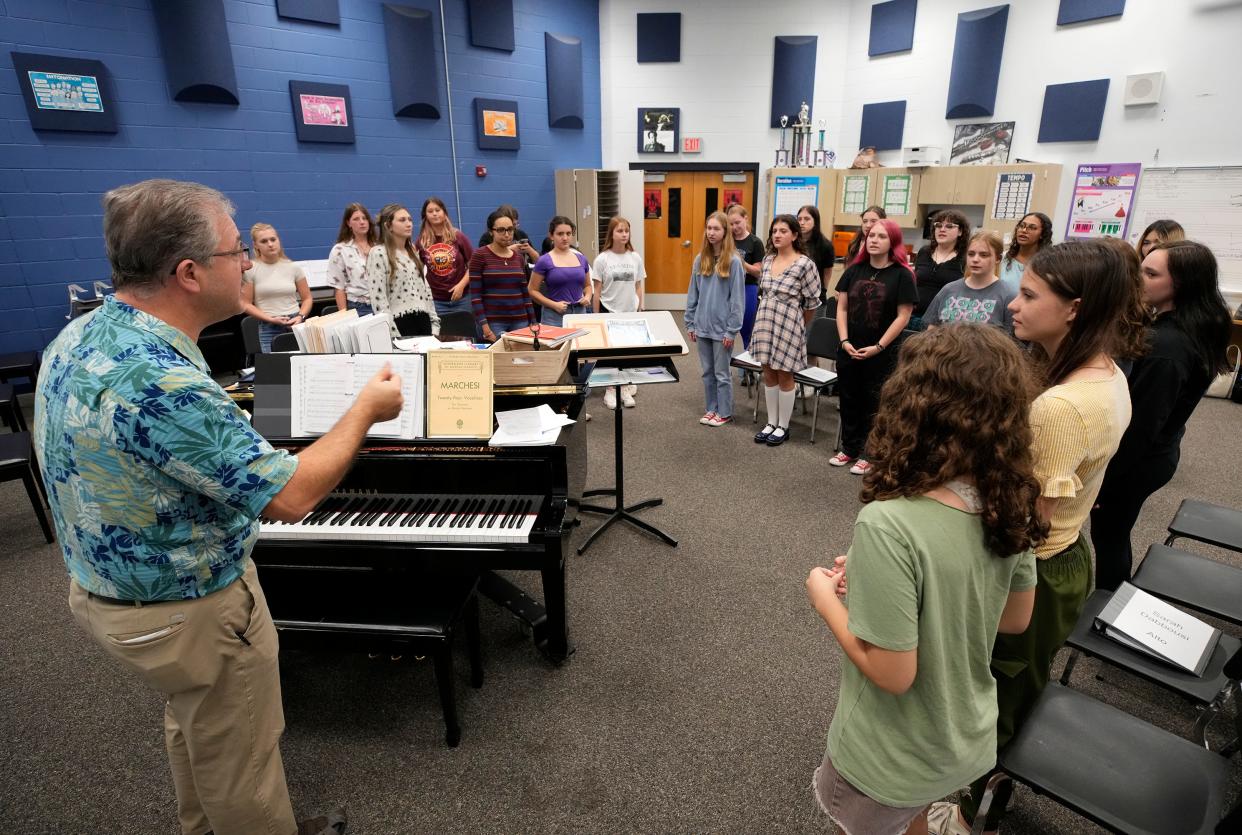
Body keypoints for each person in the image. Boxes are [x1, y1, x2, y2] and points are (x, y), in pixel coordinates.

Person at [32, 178, 404, 835]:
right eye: (237, 252)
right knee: (244, 765)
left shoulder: (81, 335)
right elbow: (292, 495)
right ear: (187, 272)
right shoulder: (163, 379)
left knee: (197, 721)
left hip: (110, 595)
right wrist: (365, 410)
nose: (246, 264)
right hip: (192, 608)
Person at [935, 238, 1147, 835]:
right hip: (1068, 554)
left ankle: (974, 811)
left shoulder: (1060, 405)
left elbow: (1027, 522)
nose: (1014, 306)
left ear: (1074, 309)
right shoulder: (1105, 374)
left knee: (1002, 693)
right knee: (1021, 680)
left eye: (1029, 295)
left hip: (1040, 567)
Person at [806, 324, 1041, 835]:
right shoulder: (1007, 499)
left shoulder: (890, 522)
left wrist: (825, 598)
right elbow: (1016, 617)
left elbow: (892, 674)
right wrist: (876, 578)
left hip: (892, 751)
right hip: (962, 733)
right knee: (912, 819)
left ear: (911, 407)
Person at [1090, 240, 1233, 591]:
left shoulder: (1166, 347)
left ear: (1180, 285)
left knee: (1109, 534)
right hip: (1160, 451)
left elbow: (1139, 429)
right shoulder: (1189, 326)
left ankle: (1108, 605)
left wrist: (1102, 484)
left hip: (1138, 461)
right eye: (1141, 268)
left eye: (1151, 274)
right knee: (1115, 532)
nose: (1139, 280)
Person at [831, 219, 917, 475]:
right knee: (848, 399)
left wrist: (878, 347)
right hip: (849, 348)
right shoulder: (853, 270)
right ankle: (849, 448)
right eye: (870, 235)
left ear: (893, 241)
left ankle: (870, 452)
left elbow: (903, 316)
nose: (873, 240)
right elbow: (842, 308)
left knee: (875, 402)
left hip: (881, 351)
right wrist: (844, 341)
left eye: (881, 236)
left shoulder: (902, 275)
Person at [750, 214, 821, 445]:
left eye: (783, 231)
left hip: (789, 326)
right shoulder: (768, 260)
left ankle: (783, 426)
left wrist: (796, 324)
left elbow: (811, 304)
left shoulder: (805, 264)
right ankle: (771, 422)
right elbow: (763, 291)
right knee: (768, 372)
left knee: (784, 374)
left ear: (794, 235)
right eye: (774, 231)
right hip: (765, 322)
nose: (777, 235)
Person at [684, 210, 745, 428]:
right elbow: (693, 293)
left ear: (725, 232)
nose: (711, 232)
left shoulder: (734, 262)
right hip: (702, 326)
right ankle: (712, 408)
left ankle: (725, 411)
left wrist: (731, 331)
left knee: (721, 373)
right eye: (708, 228)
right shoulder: (701, 259)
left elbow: (738, 301)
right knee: (707, 372)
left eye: (716, 228)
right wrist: (690, 322)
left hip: (722, 329)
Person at [593, 216, 645, 409]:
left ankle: (624, 386)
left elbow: (638, 285)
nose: (624, 234)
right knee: (610, 352)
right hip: (609, 310)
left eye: (626, 231)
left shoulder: (635, 257)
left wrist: (640, 308)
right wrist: (596, 316)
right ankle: (610, 390)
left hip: (629, 312)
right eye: (620, 231)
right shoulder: (602, 259)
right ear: (612, 234)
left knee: (627, 352)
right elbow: (597, 290)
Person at [365, 203, 440, 338]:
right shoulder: (378, 253)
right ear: (388, 225)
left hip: (423, 321)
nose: (409, 224)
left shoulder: (412, 251)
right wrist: (393, 334)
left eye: (410, 219)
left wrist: (434, 324)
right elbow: (379, 300)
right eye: (402, 220)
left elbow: (425, 290)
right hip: (399, 324)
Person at [241, 222, 312, 353]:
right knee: (276, 368)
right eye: (264, 241)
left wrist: (301, 316)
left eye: (273, 239)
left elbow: (307, 298)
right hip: (269, 326)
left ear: (278, 240)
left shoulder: (293, 267)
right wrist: (270, 319)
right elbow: (245, 303)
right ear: (256, 245)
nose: (270, 244)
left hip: (295, 324)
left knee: (300, 366)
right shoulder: (251, 269)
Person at [923, 230, 1014, 330]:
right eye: (971, 254)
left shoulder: (1008, 295)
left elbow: (1012, 341)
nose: (975, 259)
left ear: (998, 259)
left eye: (983, 255)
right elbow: (931, 331)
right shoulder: (948, 289)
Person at [470, 208, 536, 342]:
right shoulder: (480, 255)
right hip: (493, 322)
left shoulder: (518, 257)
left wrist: (533, 321)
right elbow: (476, 296)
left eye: (510, 229)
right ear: (490, 232)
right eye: (501, 230)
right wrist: (485, 327)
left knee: (519, 361)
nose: (507, 234)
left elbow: (525, 292)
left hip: (520, 320)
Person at [415, 196, 475, 318]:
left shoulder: (458, 236)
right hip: (436, 301)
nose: (435, 214)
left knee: (465, 335)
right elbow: (416, 272)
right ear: (425, 216)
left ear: (444, 213)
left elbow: (473, 266)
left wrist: (461, 286)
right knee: (441, 336)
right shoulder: (421, 241)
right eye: (430, 211)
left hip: (462, 298)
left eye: (438, 210)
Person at [911, 209, 970, 329]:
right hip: (913, 316)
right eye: (938, 225)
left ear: (960, 232)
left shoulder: (966, 257)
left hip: (943, 322)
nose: (942, 229)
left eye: (949, 226)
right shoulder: (924, 252)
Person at [530, 216, 592, 328]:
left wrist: (587, 297)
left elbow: (588, 286)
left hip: (579, 313)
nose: (565, 238)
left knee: (579, 345)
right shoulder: (544, 260)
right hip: (554, 315)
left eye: (568, 234)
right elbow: (532, 290)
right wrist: (553, 305)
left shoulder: (581, 259)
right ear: (551, 235)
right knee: (557, 346)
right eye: (560, 234)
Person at [726, 204, 765, 352]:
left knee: (747, 328)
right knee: (725, 329)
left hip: (747, 288)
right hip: (727, 288)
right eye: (731, 224)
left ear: (745, 219)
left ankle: (748, 367)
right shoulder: (727, 241)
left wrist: (740, 262)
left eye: (737, 222)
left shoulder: (755, 243)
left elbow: (757, 272)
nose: (734, 227)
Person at [327, 202, 377, 315]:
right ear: (348, 223)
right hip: (358, 307)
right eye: (356, 219)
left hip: (382, 304)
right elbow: (339, 287)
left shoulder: (379, 246)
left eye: (364, 218)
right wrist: (344, 316)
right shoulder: (340, 250)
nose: (362, 222)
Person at [998, 211, 1052, 292]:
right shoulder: (1002, 259)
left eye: (1032, 227)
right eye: (1022, 226)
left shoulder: (1048, 264)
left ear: (1042, 234)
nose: (1024, 230)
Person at [477, 203, 540, 267]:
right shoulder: (487, 237)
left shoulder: (520, 234)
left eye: (515, 225)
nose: (507, 234)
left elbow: (539, 262)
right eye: (512, 225)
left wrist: (530, 250)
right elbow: (484, 261)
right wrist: (509, 250)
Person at [797, 204, 834, 307]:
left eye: (807, 219)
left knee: (814, 323)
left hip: (816, 296)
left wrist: (823, 290)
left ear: (815, 221)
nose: (802, 223)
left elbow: (827, 272)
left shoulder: (825, 245)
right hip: (795, 295)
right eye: (799, 219)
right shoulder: (793, 242)